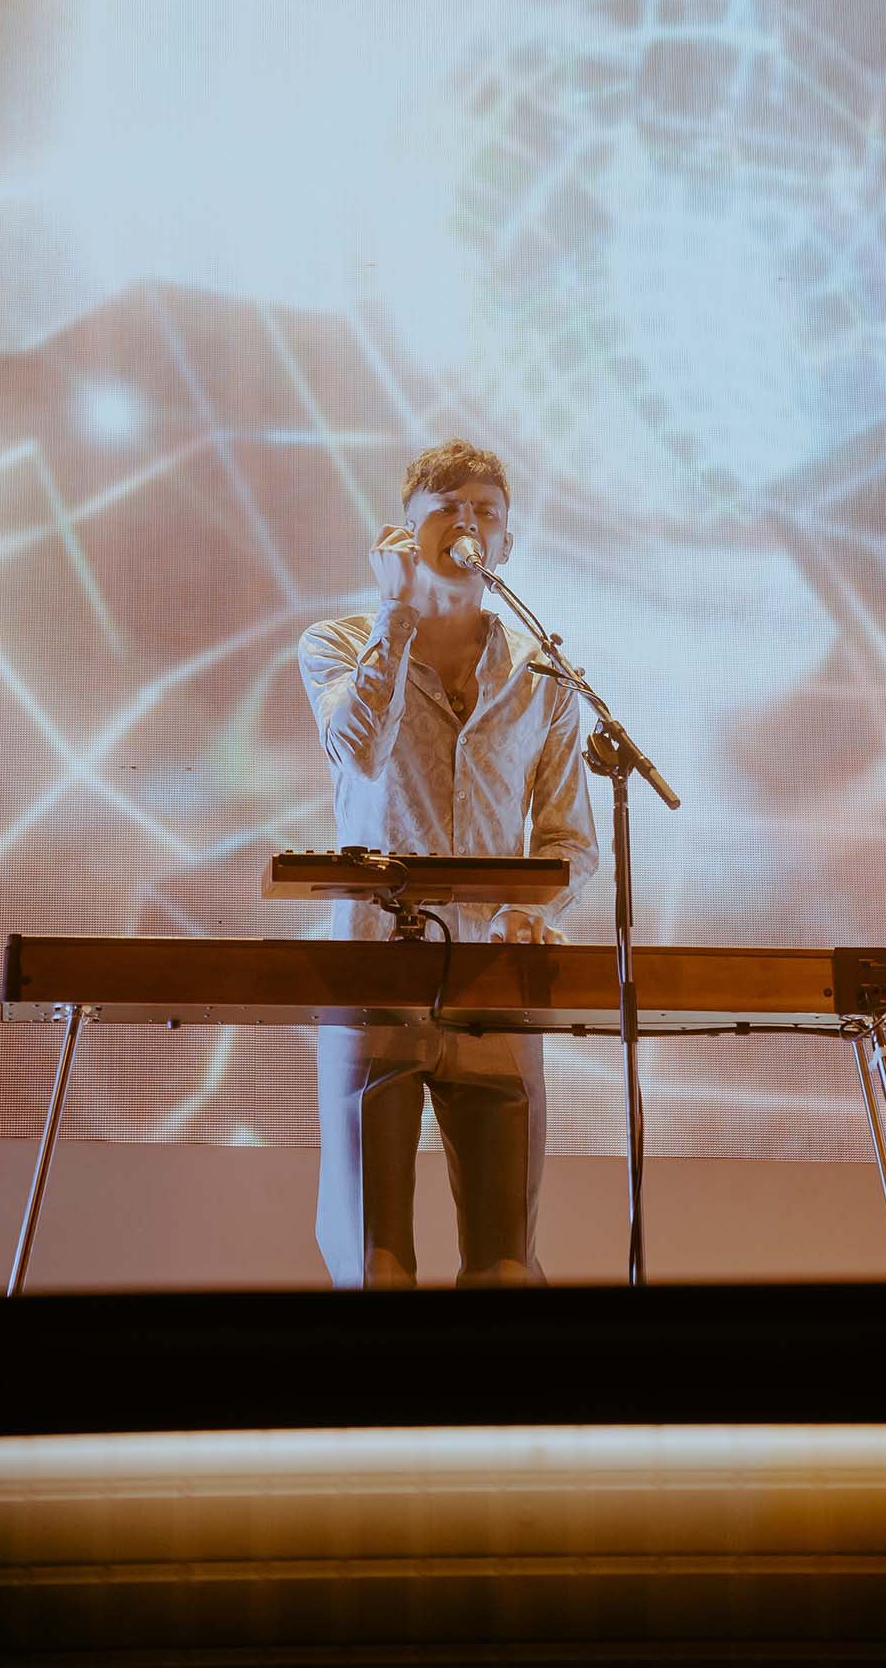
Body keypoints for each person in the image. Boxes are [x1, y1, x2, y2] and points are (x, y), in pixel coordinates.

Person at [298, 438, 598, 1287]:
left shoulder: (545, 677)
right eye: (446, 509)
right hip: (373, 979)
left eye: (484, 512)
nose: (467, 524)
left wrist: (532, 910)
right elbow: (358, 751)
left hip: (496, 988)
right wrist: (395, 615)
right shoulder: (337, 643)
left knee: (507, 1266)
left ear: (506, 543)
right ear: (404, 533)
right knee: (375, 1264)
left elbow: (569, 841)